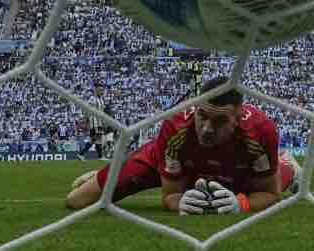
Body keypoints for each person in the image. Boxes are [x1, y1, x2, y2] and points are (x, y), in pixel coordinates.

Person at [66, 77, 301, 213]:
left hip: (235, 170)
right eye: (202, 116)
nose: (207, 128)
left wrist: (241, 203)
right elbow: (170, 195)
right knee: (77, 201)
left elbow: (271, 194)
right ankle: (110, 172)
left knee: (266, 183)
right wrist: (179, 201)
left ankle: (286, 165)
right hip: (172, 163)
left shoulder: (260, 130)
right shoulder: (176, 124)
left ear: (238, 118)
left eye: (219, 121)